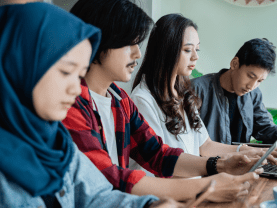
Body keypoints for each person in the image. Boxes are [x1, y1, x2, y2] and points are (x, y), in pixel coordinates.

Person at [63, 0, 262, 203]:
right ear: (97, 40)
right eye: (128, 43)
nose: (137, 53)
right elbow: (110, 179)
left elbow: (157, 153)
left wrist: (218, 165)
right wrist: (205, 186)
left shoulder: (119, 99)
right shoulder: (70, 104)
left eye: (137, 44)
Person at [0, 2, 180, 207]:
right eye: (66, 72)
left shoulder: (58, 144)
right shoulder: (72, 115)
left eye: (79, 75)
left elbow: (97, 196)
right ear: (19, 63)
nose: (76, 89)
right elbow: (111, 179)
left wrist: (150, 205)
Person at [130, 14, 277, 178]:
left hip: (196, 187)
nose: (196, 57)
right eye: (188, 50)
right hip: (177, 194)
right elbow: (158, 164)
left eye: (197, 49)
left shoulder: (183, 94)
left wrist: (256, 152)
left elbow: (205, 145)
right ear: (166, 49)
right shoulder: (143, 99)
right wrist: (218, 171)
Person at [191, 38, 277, 145]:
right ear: (234, 63)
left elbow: (264, 127)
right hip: (208, 163)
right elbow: (190, 141)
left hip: (242, 162)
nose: (252, 86)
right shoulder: (196, 89)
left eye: (260, 81)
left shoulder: (254, 94)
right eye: (250, 76)